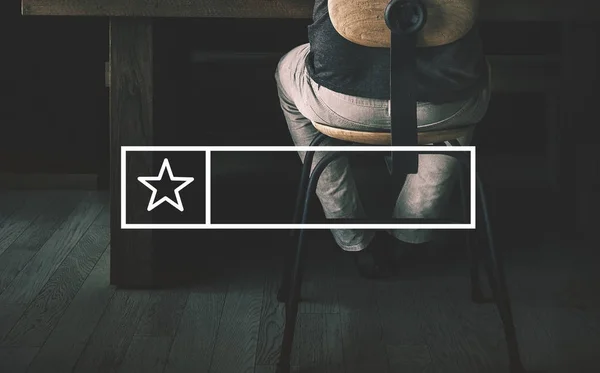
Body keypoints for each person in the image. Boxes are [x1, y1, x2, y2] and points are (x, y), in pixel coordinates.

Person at [275, 0, 490, 279]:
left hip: (341, 101)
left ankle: (350, 232)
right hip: (441, 105)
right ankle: (413, 226)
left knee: (286, 71)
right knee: (469, 84)